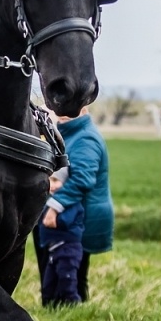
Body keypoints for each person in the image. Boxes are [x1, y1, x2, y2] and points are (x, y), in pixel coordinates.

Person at [54, 108, 114, 302]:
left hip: (84, 215)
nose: (64, 110)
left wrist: (55, 205)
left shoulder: (85, 139)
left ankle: (75, 312)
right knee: (68, 269)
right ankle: (64, 310)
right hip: (73, 214)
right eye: (61, 104)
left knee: (74, 271)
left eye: (72, 106)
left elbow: (82, 180)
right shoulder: (71, 134)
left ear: (84, 108)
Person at [36, 166, 85, 306]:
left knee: (67, 279)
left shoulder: (71, 203)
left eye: (56, 180)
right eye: (49, 180)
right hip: (53, 249)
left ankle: (74, 304)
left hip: (68, 249)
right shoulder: (48, 202)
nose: (52, 184)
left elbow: (63, 221)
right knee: (48, 283)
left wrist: (50, 219)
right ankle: (50, 306)